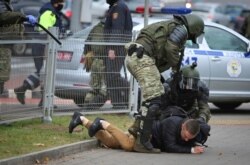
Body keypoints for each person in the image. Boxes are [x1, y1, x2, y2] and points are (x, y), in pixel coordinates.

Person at [124, 14, 205, 153]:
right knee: (154, 101)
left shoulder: (172, 26)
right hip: (141, 58)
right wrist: (176, 68)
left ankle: (136, 128)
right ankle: (142, 142)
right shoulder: (182, 30)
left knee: (155, 97)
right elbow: (171, 48)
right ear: (195, 28)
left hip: (137, 56)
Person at [68, 111, 206, 154]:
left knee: (111, 142)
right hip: (143, 134)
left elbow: (191, 140)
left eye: (189, 139)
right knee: (128, 145)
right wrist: (191, 150)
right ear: (183, 126)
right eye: (185, 136)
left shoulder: (192, 130)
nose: (186, 140)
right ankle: (103, 123)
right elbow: (170, 146)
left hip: (148, 140)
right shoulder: (172, 123)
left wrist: (194, 145)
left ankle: (81, 119)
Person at [14, 0, 65, 106]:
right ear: (57, 2)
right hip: (43, 46)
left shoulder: (53, 11)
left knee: (44, 72)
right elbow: (43, 31)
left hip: (44, 45)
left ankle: (25, 91)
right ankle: (44, 101)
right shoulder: (49, 12)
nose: (63, 4)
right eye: (62, 2)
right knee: (45, 72)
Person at [0, 0, 36, 94]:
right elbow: (4, 16)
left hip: (4, 44)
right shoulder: (2, 3)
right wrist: (23, 17)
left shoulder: (6, 3)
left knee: (2, 76)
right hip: (1, 45)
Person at [103, 0, 133, 108]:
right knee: (110, 77)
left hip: (117, 47)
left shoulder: (118, 7)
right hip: (117, 47)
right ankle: (118, 105)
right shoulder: (116, 6)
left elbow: (117, 29)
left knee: (113, 76)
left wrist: (112, 48)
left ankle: (132, 90)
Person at [83, 20, 107, 109]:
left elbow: (87, 42)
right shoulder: (109, 29)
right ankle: (93, 107)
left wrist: (87, 54)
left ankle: (86, 106)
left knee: (94, 88)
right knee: (104, 88)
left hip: (94, 60)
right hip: (103, 61)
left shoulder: (95, 28)